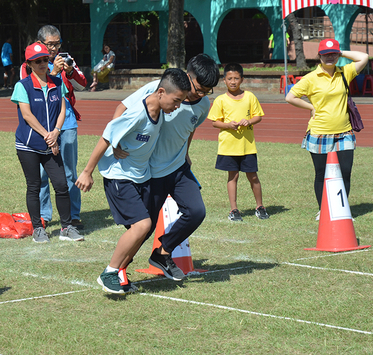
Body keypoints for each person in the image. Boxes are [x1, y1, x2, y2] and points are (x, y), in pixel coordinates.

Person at [76, 68, 190, 294]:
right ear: (161, 92)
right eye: (176, 101)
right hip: (120, 176)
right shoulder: (139, 112)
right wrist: (87, 172)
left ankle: (120, 274)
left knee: (140, 230)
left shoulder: (160, 112)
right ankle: (109, 272)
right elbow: (107, 136)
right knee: (143, 226)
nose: (177, 106)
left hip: (142, 177)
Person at [111, 54, 220, 282]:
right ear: (188, 76)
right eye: (198, 88)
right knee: (143, 229)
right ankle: (118, 271)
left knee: (196, 211)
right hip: (150, 173)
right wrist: (116, 140)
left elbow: (190, 129)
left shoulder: (203, 105)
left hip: (178, 168)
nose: (201, 95)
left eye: (207, 91)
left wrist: (186, 153)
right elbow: (122, 107)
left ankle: (162, 253)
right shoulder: (159, 89)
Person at [285, 39, 369, 219]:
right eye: (325, 54)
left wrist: (341, 51)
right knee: (321, 173)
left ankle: (342, 210)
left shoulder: (345, 72)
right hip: (319, 132)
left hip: (344, 132)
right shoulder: (310, 78)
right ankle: (322, 210)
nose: (329, 57)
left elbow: (364, 57)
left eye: (333, 54)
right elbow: (290, 97)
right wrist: (310, 107)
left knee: (345, 172)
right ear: (319, 56)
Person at [11, 42, 82, 242]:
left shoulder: (57, 83)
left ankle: (66, 227)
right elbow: (27, 115)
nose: (43, 64)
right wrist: (47, 135)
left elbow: (61, 110)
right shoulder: (22, 86)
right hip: (29, 144)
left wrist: (56, 131)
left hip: (51, 143)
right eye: (37, 61)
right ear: (29, 64)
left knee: (61, 185)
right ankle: (38, 229)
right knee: (34, 185)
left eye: (45, 60)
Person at [208, 63, 269, 222]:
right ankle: (234, 209)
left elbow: (258, 116)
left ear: (242, 79)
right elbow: (215, 122)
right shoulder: (220, 100)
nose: (233, 81)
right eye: (230, 78)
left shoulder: (250, 97)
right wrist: (228, 125)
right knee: (232, 177)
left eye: (236, 78)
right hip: (228, 147)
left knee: (253, 177)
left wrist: (248, 121)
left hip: (247, 146)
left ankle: (260, 206)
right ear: (224, 80)